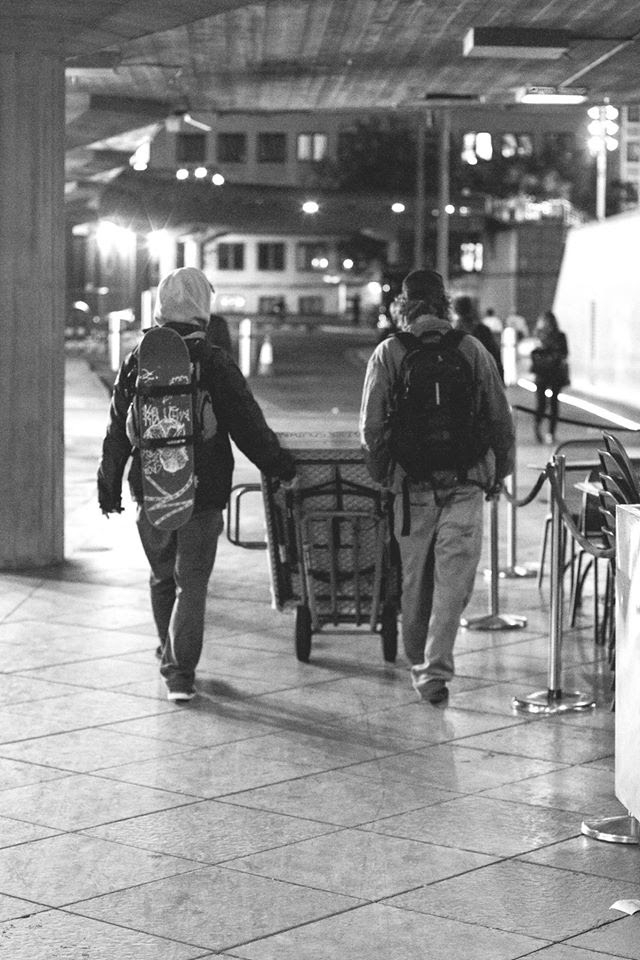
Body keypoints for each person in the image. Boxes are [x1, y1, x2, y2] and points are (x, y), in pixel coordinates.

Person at [97, 267, 296, 703]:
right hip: (202, 490)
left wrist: (108, 485)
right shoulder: (213, 360)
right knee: (193, 583)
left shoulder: (138, 358)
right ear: (202, 307)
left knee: (162, 577)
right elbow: (247, 424)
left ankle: (167, 649)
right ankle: (180, 672)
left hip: (150, 487)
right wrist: (279, 464)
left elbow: (117, 427)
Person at [359, 268, 515, 704]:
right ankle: (434, 672)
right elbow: (501, 418)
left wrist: (383, 474)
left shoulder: (389, 352)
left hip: (411, 488)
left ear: (403, 307)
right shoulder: (472, 349)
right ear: (444, 303)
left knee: (415, 580)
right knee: (454, 584)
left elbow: (371, 427)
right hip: (466, 482)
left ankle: (418, 661)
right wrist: (498, 474)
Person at [530, 309, 569, 445]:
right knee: (544, 403)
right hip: (546, 372)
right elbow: (563, 353)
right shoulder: (541, 335)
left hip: (551, 373)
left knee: (552, 403)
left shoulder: (544, 335)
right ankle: (541, 428)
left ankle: (549, 432)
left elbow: (564, 352)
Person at [453, 294, 504, 382]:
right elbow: (494, 353)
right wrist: (500, 377)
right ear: (472, 309)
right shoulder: (483, 330)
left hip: (462, 380)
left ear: (456, 311)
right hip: (483, 376)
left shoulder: (453, 332)